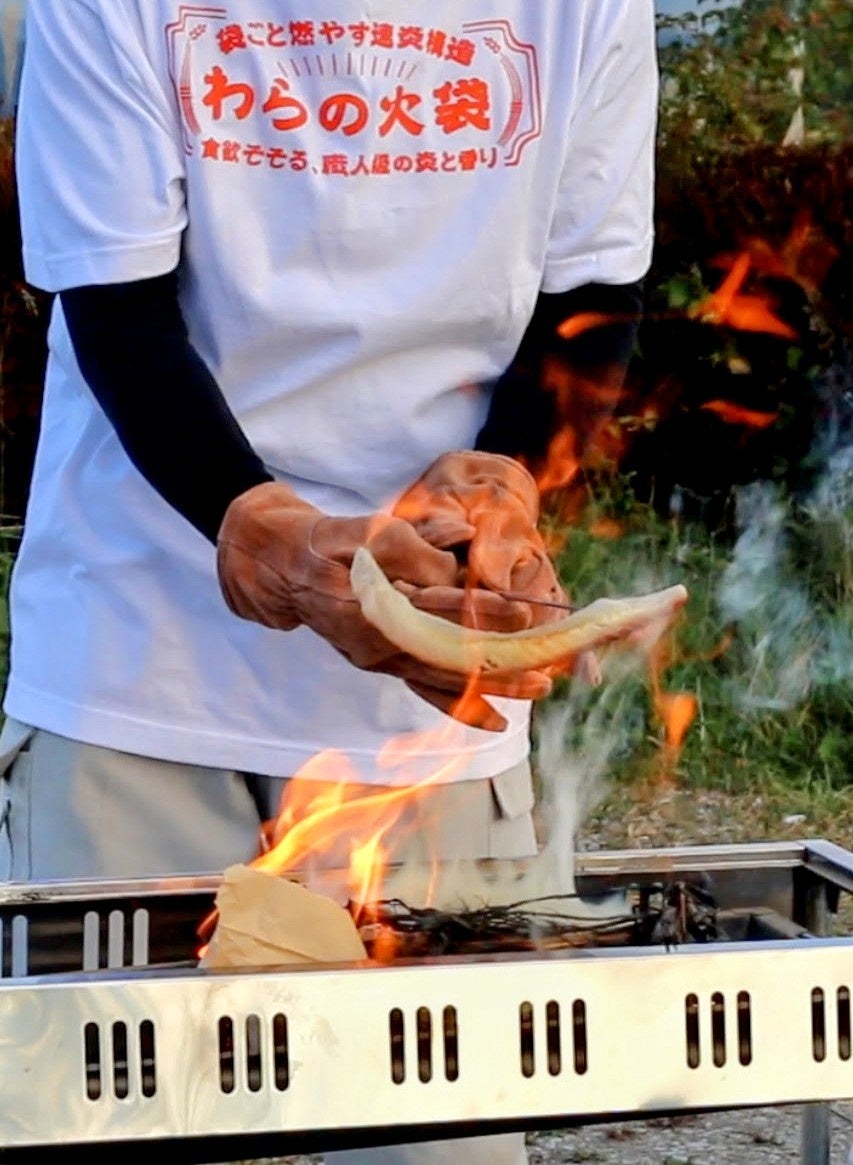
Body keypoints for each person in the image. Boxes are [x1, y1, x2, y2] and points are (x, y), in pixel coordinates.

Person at [1, 3, 657, 1162]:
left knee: (439, 1136)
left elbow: (587, 295)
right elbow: (115, 307)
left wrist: (503, 488)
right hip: (140, 661)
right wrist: (268, 532)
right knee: (116, 1114)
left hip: (431, 704)